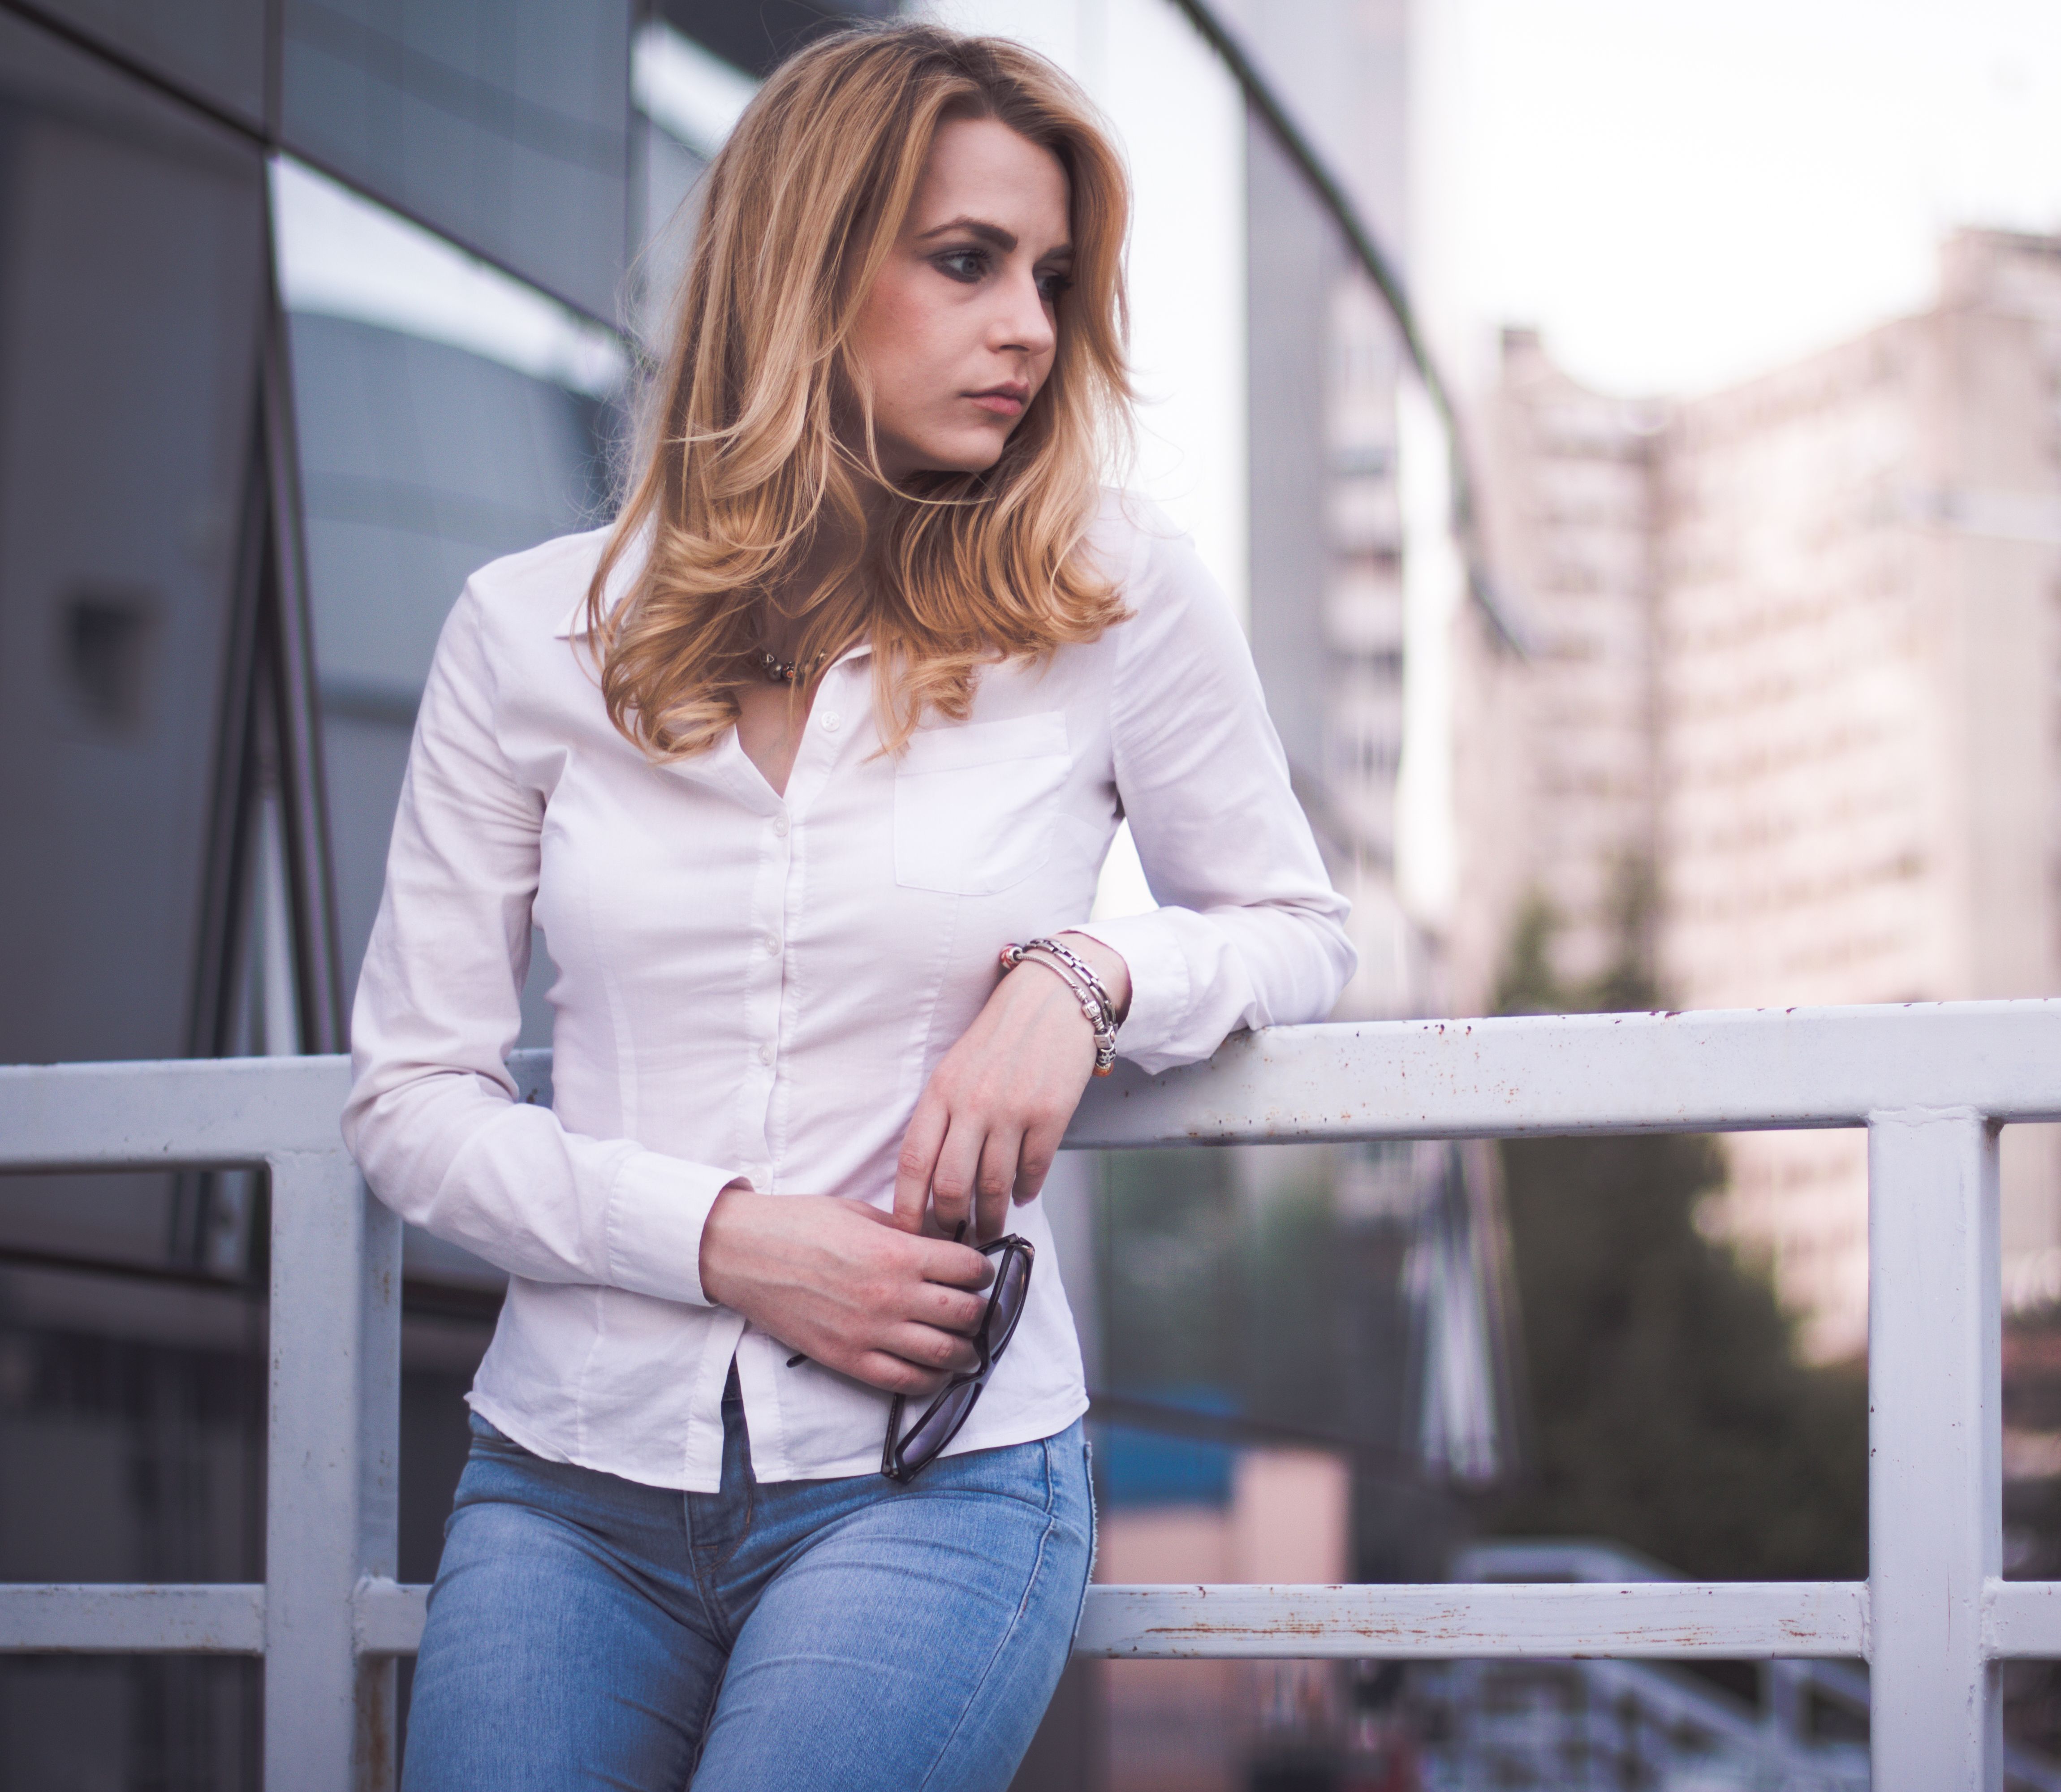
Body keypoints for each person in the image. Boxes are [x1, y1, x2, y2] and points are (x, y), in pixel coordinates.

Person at [342, 22, 1354, 1789]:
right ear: (807, 270)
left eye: (1051, 275)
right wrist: (727, 1238)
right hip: (562, 1481)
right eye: (966, 262)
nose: (1031, 326)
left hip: (935, 1480)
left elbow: (1298, 929)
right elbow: (410, 1102)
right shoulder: (525, 633)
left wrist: (1087, 973)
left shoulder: (1113, 592)